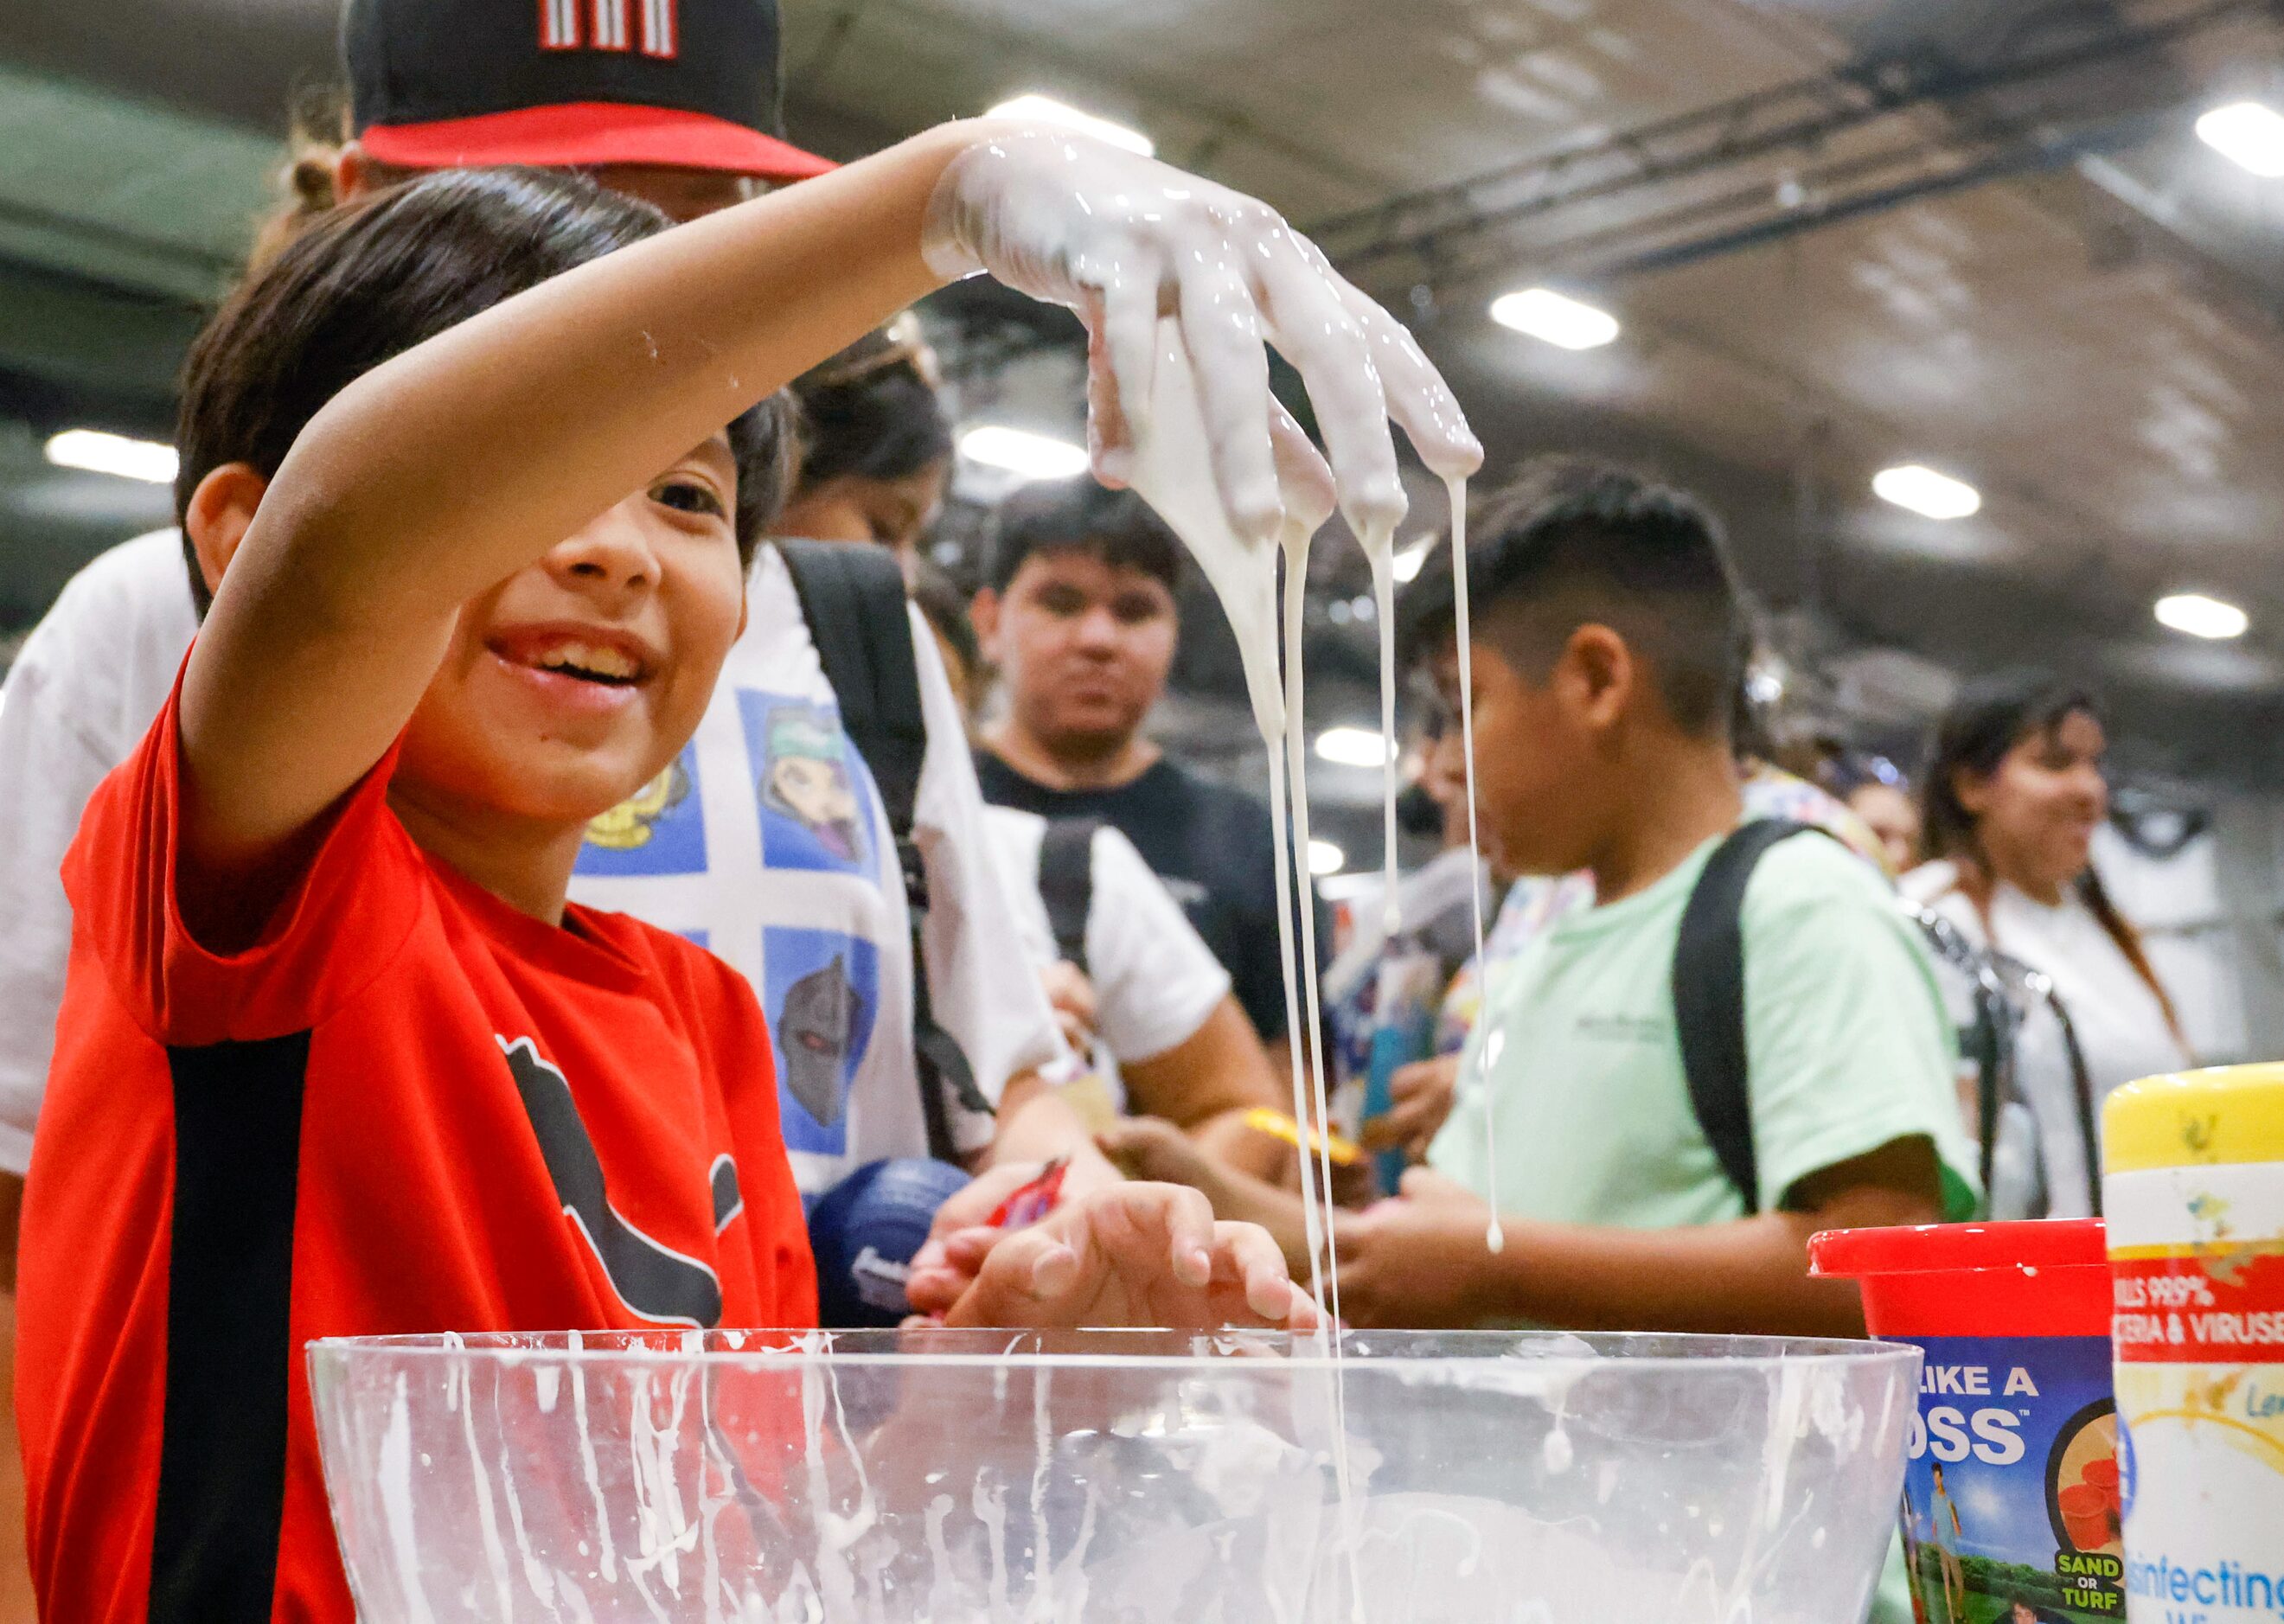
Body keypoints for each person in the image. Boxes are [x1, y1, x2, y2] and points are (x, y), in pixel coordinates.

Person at [17, 82, 1478, 1610]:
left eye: (689, 492)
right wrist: (947, 193)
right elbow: (352, 536)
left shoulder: (704, 1026)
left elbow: (752, 1542)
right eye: (541, 475)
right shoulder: (246, 902)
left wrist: (1012, 1380)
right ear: (235, 544)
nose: (615, 546)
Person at [1331, 458, 1975, 1336]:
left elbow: (1879, 1256)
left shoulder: (1800, 907)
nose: (1441, 764)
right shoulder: (1546, 943)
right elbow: (1468, 1227)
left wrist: (1498, 1269)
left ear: (1597, 681)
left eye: (1464, 703)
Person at [972, 482, 1328, 1058]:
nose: (1097, 639)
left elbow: (1294, 1088)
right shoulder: (926, 802)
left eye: (1134, 611)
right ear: (989, 623)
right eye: (1060, 603)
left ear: (1173, 632)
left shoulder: (1250, 844)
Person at [1903, 670, 2191, 1144]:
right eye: (2055, 763)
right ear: (1972, 785)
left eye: (2094, 765)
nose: (2090, 790)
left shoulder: (2102, 928)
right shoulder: (1930, 921)